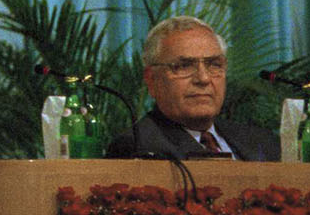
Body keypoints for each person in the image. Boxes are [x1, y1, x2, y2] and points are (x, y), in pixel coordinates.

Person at [105, 15, 280, 160]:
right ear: (152, 80)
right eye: (184, 66)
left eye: (214, 65)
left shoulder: (262, 142)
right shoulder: (137, 147)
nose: (203, 79)